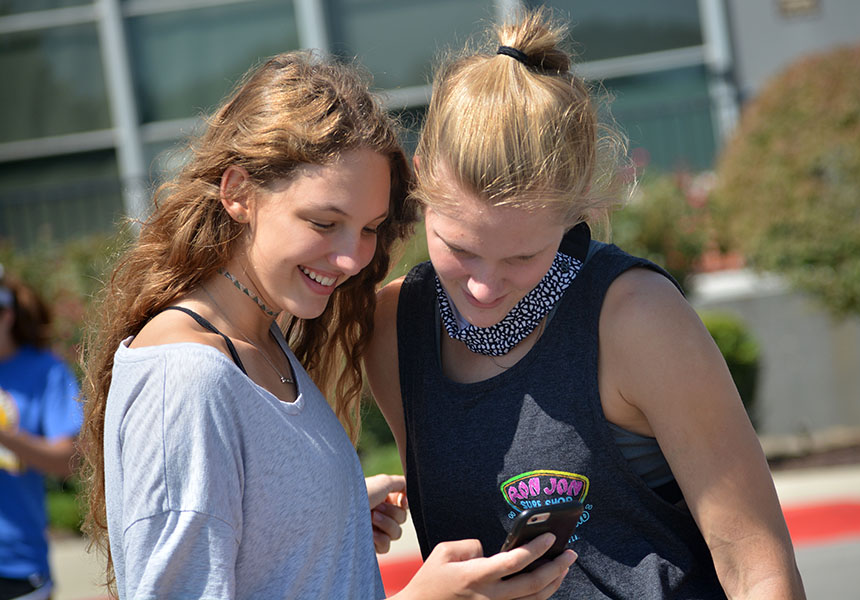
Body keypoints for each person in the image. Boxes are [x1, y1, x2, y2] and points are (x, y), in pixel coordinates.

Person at [78, 50, 575, 600]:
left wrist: (320, 523)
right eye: (324, 222)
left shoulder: (259, 341)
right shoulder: (187, 378)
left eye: (369, 228)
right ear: (238, 192)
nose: (351, 258)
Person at [364, 9, 807, 599]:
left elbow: (758, 567)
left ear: (575, 214)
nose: (483, 286)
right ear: (420, 182)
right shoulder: (393, 328)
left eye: (523, 258)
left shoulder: (635, 318)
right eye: (460, 248)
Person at [0, 265, 82, 600]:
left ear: (6, 315)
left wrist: (5, 436)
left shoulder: (45, 371)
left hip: (17, 563)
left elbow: (68, 462)